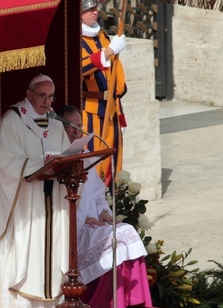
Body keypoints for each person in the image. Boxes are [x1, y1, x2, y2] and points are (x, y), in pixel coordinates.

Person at [0, 74, 71, 308]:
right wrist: (42, 165)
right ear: (29, 95)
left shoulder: (56, 124)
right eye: (42, 96)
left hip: (50, 201)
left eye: (51, 97)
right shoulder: (11, 122)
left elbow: (65, 156)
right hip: (23, 207)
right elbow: (6, 165)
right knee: (26, 255)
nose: (48, 102)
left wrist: (64, 164)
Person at [57, 105, 152, 308]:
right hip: (76, 226)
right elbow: (58, 204)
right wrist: (84, 218)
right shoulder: (59, 162)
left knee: (126, 230)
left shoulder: (88, 158)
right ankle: (105, 307)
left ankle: (131, 300)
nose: (77, 132)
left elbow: (98, 194)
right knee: (112, 238)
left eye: (79, 126)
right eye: (71, 127)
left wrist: (103, 213)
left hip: (94, 222)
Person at [81, 0, 127, 187]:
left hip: (111, 109)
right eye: (89, 9)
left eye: (95, 8)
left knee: (113, 160)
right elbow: (81, 67)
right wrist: (107, 52)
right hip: (91, 109)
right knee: (93, 161)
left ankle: (112, 204)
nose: (95, 12)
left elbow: (114, 74)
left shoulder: (102, 35)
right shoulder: (76, 39)